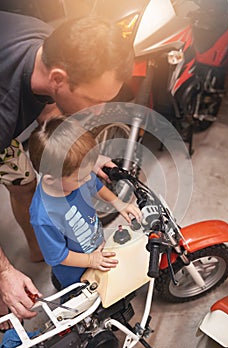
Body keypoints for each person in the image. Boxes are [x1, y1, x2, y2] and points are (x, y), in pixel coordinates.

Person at [0, 10, 134, 328]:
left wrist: (82, 158)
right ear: (59, 78)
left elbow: (49, 107)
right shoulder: (5, 107)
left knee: (22, 183)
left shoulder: (47, 45)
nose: (100, 111)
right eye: (93, 99)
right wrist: (4, 272)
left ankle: (34, 248)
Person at [28, 116, 141, 289]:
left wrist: (119, 203)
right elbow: (58, 255)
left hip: (95, 247)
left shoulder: (77, 175)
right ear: (51, 179)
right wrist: (90, 260)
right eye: (81, 178)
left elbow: (96, 186)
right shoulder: (43, 216)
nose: (89, 178)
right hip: (74, 275)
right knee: (84, 304)